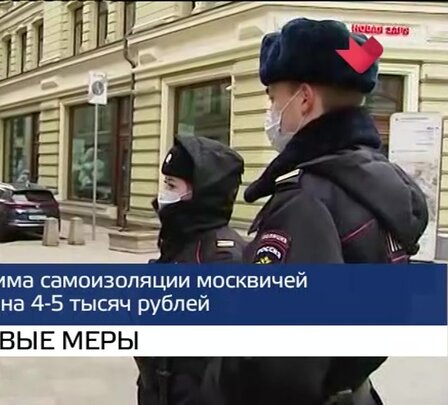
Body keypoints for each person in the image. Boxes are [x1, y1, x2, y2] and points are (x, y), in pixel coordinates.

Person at [233, 17, 429, 405]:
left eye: (273, 98)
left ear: (304, 99)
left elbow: (275, 362)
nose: (271, 112)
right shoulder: (375, 183)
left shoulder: (306, 199)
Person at [135, 135, 246, 405]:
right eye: (165, 184)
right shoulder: (180, 241)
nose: (163, 194)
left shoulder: (223, 260)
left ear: (201, 193)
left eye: (171, 185)